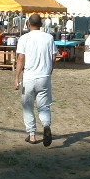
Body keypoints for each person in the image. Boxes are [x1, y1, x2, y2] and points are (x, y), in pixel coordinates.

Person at [14, 13, 57, 146]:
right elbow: (54, 57)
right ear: (41, 24)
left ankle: (32, 134)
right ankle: (46, 124)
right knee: (44, 105)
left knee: (28, 106)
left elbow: (21, 58)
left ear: (28, 24)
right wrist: (49, 70)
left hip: (29, 77)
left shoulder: (24, 38)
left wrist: (17, 77)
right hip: (44, 76)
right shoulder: (49, 38)